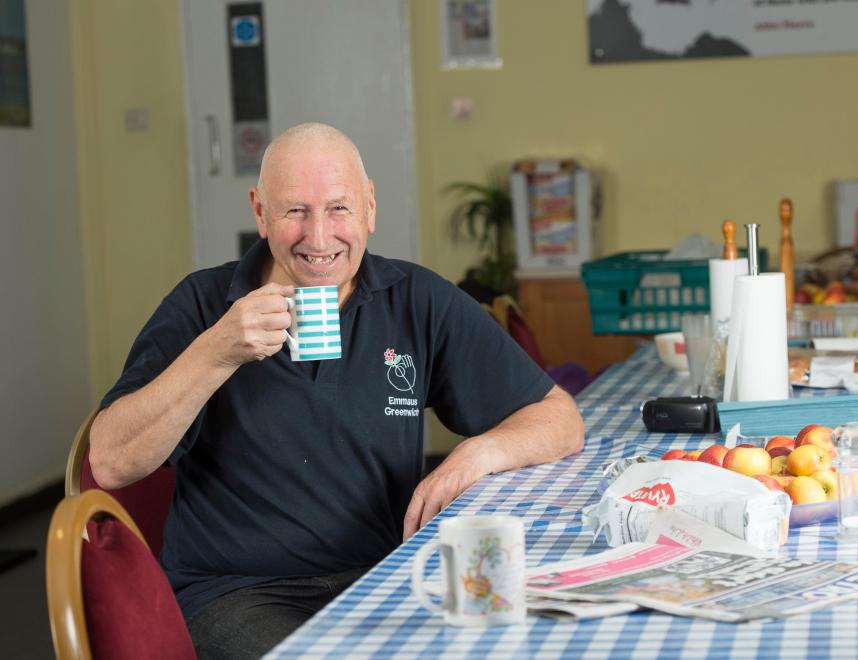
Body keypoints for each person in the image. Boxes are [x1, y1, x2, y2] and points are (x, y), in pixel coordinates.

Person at [89, 123, 584, 659]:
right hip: (238, 592)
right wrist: (218, 350)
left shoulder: (416, 299)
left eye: (339, 209)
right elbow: (111, 462)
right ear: (260, 213)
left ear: (370, 206)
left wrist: (478, 452)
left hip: (385, 576)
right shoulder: (203, 305)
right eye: (294, 211)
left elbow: (560, 418)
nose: (319, 238)